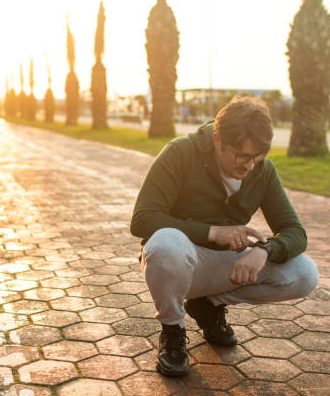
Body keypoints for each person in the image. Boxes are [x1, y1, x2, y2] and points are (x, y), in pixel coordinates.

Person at [130, 96, 318, 377]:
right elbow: (142, 219)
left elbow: (295, 231)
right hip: (179, 263)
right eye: (243, 156)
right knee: (165, 243)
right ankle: (172, 331)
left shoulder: (263, 171)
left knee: (304, 273)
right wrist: (213, 232)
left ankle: (208, 305)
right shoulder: (181, 152)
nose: (250, 166)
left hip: (223, 267)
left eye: (258, 157)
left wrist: (264, 250)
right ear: (218, 140)